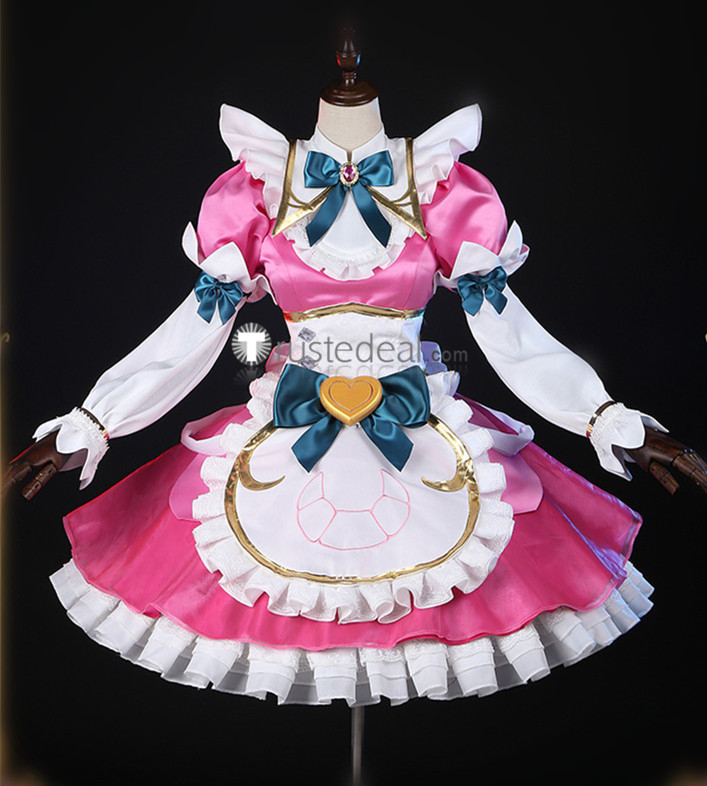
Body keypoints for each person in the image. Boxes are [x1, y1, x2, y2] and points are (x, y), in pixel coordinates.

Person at [4, 30, 706, 707]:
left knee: (453, 585)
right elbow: (196, 325)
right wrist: (93, 422)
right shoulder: (257, 187)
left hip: (421, 425)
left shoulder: (439, 184)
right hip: (290, 427)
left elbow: (507, 329)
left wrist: (604, 417)